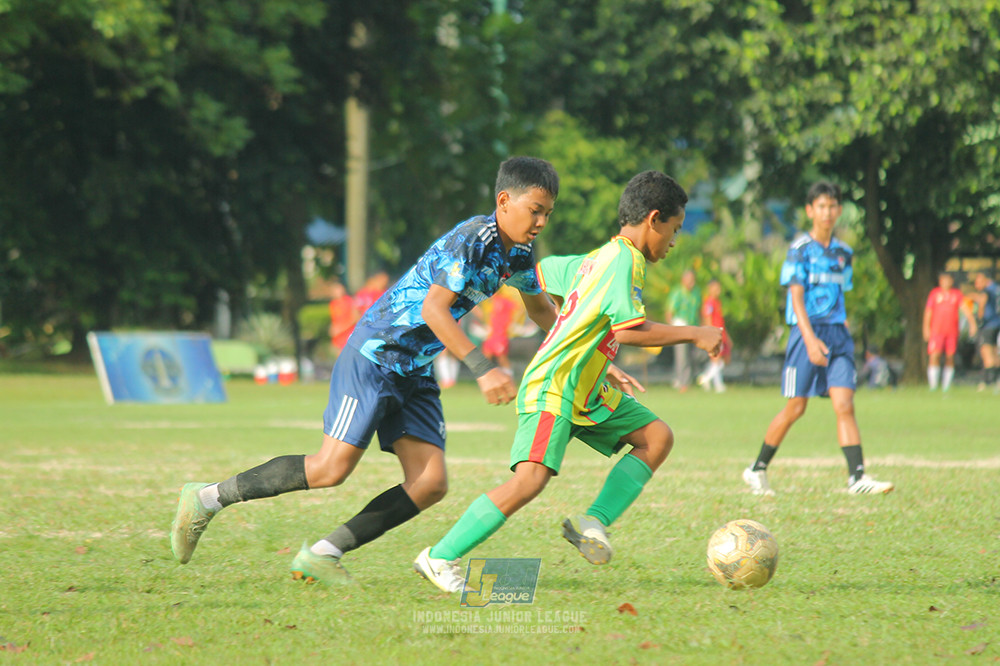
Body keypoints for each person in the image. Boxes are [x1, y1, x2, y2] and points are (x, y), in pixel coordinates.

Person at [170, 157, 564, 583]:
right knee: (330, 469)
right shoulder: (472, 238)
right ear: (504, 201)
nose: (541, 221)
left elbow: (541, 309)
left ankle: (323, 553)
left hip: (415, 370)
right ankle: (207, 499)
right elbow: (435, 310)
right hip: (375, 355)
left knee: (430, 483)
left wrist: (587, 349)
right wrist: (482, 367)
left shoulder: (519, 254)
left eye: (547, 213)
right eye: (535, 209)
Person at [414, 170, 723, 593]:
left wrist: (592, 348)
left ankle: (592, 522)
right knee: (530, 480)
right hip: (555, 385)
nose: (674, 240)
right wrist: (696, 332)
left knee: (656, 437)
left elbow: (543, 276)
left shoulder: (598, 258)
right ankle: (439, 555)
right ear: (654, 219)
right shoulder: (624, 261)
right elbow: (629, 329)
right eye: (675, 229)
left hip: (587, 388)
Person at [742, 181, 894, 497]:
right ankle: (757, 469)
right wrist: (810, 340)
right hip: (806, 333)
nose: (827, 212)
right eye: (821, 206)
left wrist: (845, 330)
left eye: (832, 206)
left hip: (838, 334)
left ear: (839, 210)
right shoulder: (799, 250)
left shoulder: (844, 253)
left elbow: (839, 296)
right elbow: (796, 299)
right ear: (811, 210)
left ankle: (857, 477)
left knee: (844, 403)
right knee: (796, 407)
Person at [923, 272, 976, 391]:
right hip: (937, 331)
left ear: (951, 281)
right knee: (934, 355)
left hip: (951, 332)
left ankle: (946, 386)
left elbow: (965, 309)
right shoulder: (934, 294)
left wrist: (972, 324)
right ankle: (933, 385)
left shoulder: (956, 294)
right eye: (943, 279)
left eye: (948, 279)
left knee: (950, 356)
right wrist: (926, 328)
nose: (945, 282)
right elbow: (928, 312)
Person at [665, 268, 700, 392]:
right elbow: (670, 312)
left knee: (694, 355)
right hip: (680, 328)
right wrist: (671, 329)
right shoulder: (678, 293)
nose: (691, 283)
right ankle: (682, 382)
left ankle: (689, 379)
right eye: (689, 280)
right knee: (682, 357)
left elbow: (698, 311)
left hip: (694, 328)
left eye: (693, 280)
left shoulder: (696, 292)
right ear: (683, 280)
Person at [696, 279, 731, 393]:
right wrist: (709, 334)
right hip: (715, 334)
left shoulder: (717, 302)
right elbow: (708, 318)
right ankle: (705, 377)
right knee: (717, 360)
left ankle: (717, 384)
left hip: (721, 334)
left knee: (719, 360)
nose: (718, 291)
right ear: (710, 289)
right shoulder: (709, 303)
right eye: (716, 288)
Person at [480, 284, 519, 375]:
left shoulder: (504, 301)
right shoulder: (492, 302)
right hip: (492, 334)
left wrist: (511, 322)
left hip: (501, 333)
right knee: (486, 355)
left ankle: (509, 376)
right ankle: (488, 376)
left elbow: (518, 309)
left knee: (501, 357)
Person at [971, 272, 1000, 391]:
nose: (976, 284)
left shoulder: (986, 291)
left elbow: (982, 305)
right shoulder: (997, 288)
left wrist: (979, 320)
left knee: (986, 352)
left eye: (978, 281)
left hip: (989, 324)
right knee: (995, 352)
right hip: (997, 323)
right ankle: (997, 379)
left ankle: (988, 381)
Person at [328, 281, 360, 356]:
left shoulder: (349, 301)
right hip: (338, 338)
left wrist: (341, 329)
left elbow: (355, 318)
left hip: (348, 336)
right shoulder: (333, 304)